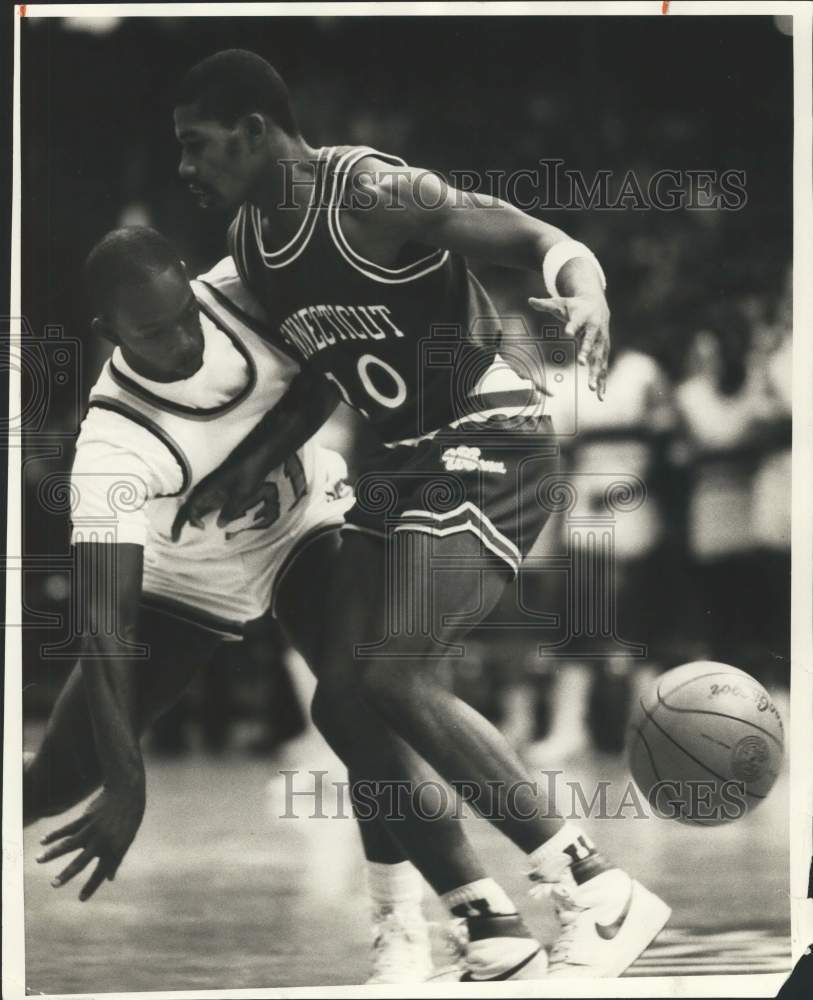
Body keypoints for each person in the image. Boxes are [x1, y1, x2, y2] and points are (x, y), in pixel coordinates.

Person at [170, 49, 670, 978]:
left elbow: (529, 235)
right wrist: (246, 467)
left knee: (397, 674)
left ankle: (596, 890)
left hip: (489, 430)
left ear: (253, 131)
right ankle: (482, 922)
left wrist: (587, 287)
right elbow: (324, 376)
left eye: (198, 146)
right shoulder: (251, 241)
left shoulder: (367, 190)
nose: (186, 169)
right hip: (401, 460)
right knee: (347, 700)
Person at [25, 227, 548, 985]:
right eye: (153, 334)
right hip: (187, 581)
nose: (182, 342)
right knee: (55, 783)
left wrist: (256, 461)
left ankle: (430, 922)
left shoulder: (245, 293)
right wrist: (126, 779)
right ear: (107, 335)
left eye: (184, 318)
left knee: (361, 696)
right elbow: (106, 628)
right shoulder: (110, 446)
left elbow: (323, 375)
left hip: (307, 525)